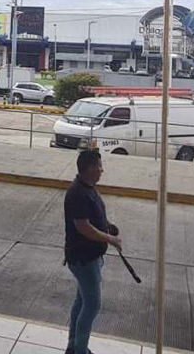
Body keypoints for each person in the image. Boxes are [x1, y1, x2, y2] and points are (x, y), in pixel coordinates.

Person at [64, 148, 121, 354]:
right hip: (84, 260)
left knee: (81, 301)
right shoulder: (78, 194)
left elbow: (94, 217)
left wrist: (108, 227)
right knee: (92, 305)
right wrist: (110, 239)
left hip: (90, 258)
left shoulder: (88, 188)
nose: (101, 170)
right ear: (89, 169)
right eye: (99, 166)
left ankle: (73, 346)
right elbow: (83, 227)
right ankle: (80, 350)